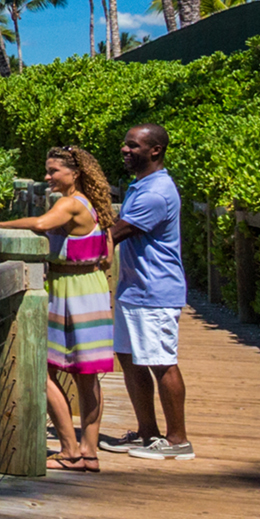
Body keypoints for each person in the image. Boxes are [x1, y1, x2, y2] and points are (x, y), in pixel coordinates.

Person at [0, 146, 119, 471]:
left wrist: (0, 224)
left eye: (53, 171)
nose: (47, 177)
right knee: (87, 376)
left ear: (74, 173)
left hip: (69, 291)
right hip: (91, 288)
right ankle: (89, 452)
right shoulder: (92, 204)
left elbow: (42, 223)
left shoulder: (70, 204)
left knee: (42, 368)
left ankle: (69, 449)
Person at [110, 121, 193, 458]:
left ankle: (178, 442)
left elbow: (113, 235)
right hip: (134, 289)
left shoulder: (156, 193)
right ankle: (147, 432)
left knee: (161, 362)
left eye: (133, 146)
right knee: (130, 359)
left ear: (155, 150)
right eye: (125, 145)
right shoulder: (141, 186)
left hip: (154, 291)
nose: (125, 150)